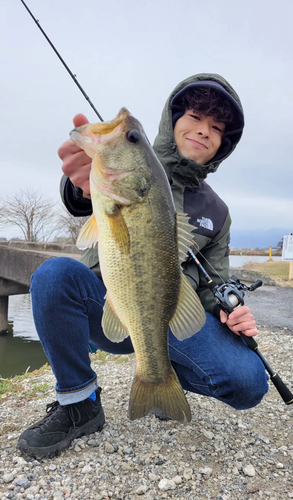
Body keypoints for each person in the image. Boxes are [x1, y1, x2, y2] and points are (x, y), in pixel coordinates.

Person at [17, 73, 269, 458]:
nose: (204, 131)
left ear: (223, 144)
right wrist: (82, 184)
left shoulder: (217, 212)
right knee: (53, 276)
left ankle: (165, 377)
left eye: (216, 128)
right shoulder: (131, 172)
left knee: (250, 380)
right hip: (106, 307)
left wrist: (229, 310)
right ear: (173, 119)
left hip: (166, 319)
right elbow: (81, 199)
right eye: (196, 117)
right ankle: (79, 404)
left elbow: (211, 285)